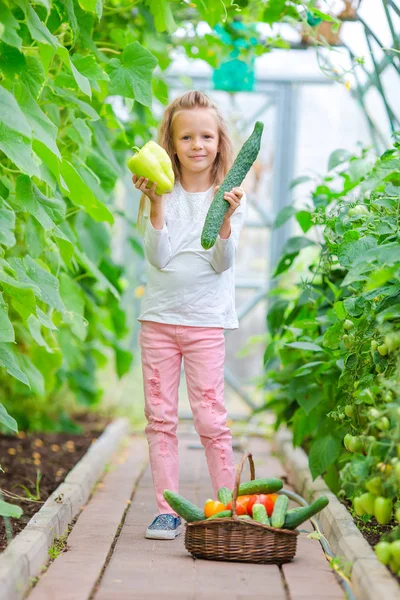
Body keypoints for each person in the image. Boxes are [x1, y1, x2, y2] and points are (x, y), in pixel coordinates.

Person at [133, 90, 246, 540]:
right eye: (186, 137)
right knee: (160, 417)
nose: (197, 145)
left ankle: (225, 508)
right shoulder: (159, 188)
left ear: (219, 142)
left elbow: (221, 262)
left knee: (211, 419)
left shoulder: (229, 194)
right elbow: (157, 258)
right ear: (172, 143)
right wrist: (158, 204)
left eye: (206, 136)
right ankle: (167, 510)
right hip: (159, 320)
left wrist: (225, 220)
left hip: (204, 324)